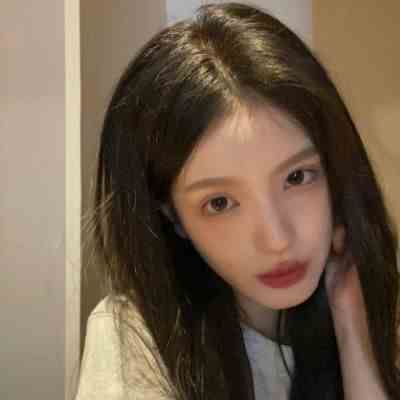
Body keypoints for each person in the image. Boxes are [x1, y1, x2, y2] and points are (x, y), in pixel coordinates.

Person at [74, 2, 400, 399]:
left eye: (297, 177)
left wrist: (354, 331)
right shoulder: (138, 336)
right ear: (173, 216)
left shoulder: (376, 301)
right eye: (220, 202)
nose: (277, 239)